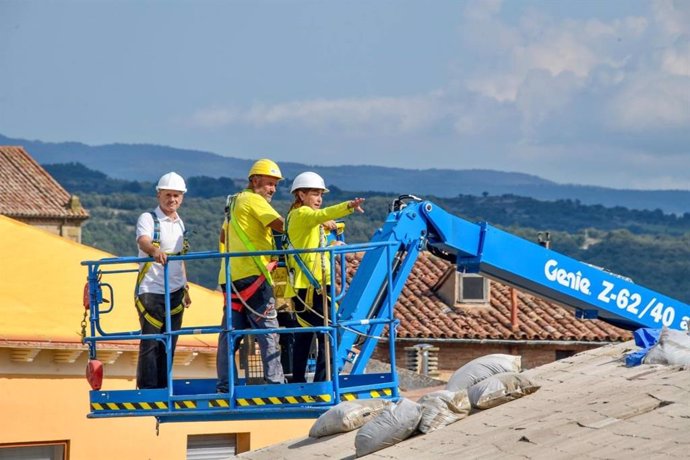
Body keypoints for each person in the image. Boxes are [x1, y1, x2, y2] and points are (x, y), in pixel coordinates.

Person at [285, 171, 364, 383]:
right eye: (314, 194)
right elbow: (320, 216)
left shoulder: (305, 219)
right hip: (311, 287)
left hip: (310, 285)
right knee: (330, 333)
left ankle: (300, 381)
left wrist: (331, 245)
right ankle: (323, 382)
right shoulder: (302, 214)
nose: (319, 199)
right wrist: (348, 206)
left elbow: (310, 249)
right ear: (300, 195)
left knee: (306, 334)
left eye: (321, 194)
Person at [216, 159, 286, 391]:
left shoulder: (233, 204)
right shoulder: (254, 200)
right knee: (269, 332)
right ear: (254, 181)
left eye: (275, 185)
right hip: (254, 276)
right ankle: (275, 382)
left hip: (231, 279)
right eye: (269, 183)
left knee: (229, 335)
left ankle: (226, 384)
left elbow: (224, 238)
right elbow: (281, 225)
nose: (272, 189)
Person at [134, 171, 191, 389]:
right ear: (159, 195)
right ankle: (148, 388)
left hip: (175, 290)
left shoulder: (179, 224)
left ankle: (164, 385)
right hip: (151, 289)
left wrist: (185, 288)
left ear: (182, 198)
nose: (172, 200)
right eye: (168, 195)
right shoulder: (148, 218)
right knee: (151, 342)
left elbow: (180, 258)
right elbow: (143, 242)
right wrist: (154, 251)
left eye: (177, 196)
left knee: (170, 341)